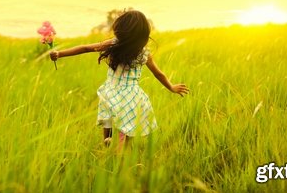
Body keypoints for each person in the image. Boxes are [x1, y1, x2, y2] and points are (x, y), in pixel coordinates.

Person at [49, 10, 189, 148]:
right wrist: (171, 87)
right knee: (127, 129)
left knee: (108, 122)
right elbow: (158, 73)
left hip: (110, 92)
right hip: (131, 96)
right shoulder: (144, 53)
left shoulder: (114, 43)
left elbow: (86, 48)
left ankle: (109, 144)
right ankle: (120, 150)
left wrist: (59, 53)